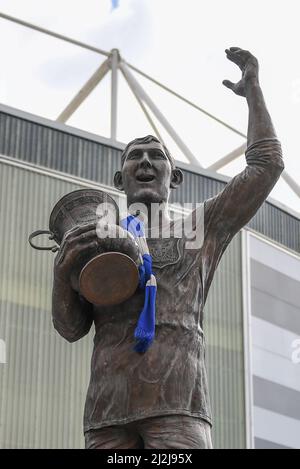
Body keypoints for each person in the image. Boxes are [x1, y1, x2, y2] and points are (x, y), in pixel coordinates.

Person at [51, 48, 284, 449]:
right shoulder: (98, 241)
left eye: (155, 155)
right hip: (107, 413)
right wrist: (62, 269)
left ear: (173, 177)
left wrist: (254, 93)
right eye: (134, 157)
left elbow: (266, 165)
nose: (144, 161)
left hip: (179, 406)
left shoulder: (204, 226)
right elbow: (71, 328)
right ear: (119, 179)